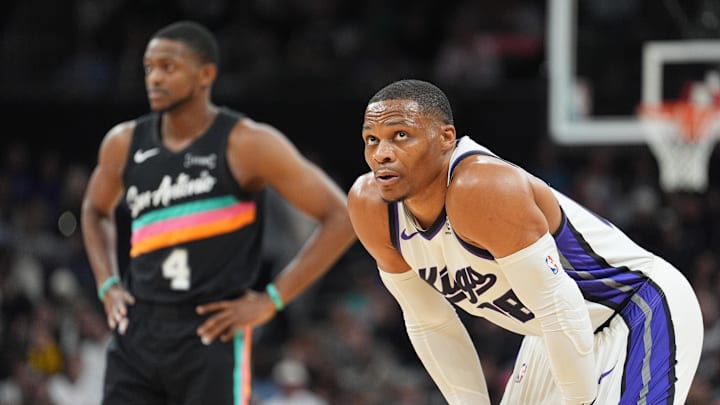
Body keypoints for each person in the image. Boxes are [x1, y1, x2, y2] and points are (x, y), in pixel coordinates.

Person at [347, 79, 703, 404]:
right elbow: (430, 321)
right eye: (371, 140)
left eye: (400, 136)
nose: (382, 153)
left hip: (634, 307)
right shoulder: (370, 206)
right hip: (553, 333)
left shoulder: (481, 188)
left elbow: (558, 305)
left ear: (445, 138)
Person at [81, 20, 356, 405]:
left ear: (205, 74)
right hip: (137, 329)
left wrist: (271, 300)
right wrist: (107, 283)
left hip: (211, 332)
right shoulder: (123, 143)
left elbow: (342, 216)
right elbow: (94, 210)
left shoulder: (248, 143)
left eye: (168, 67)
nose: (154, 79)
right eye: (149, 68)